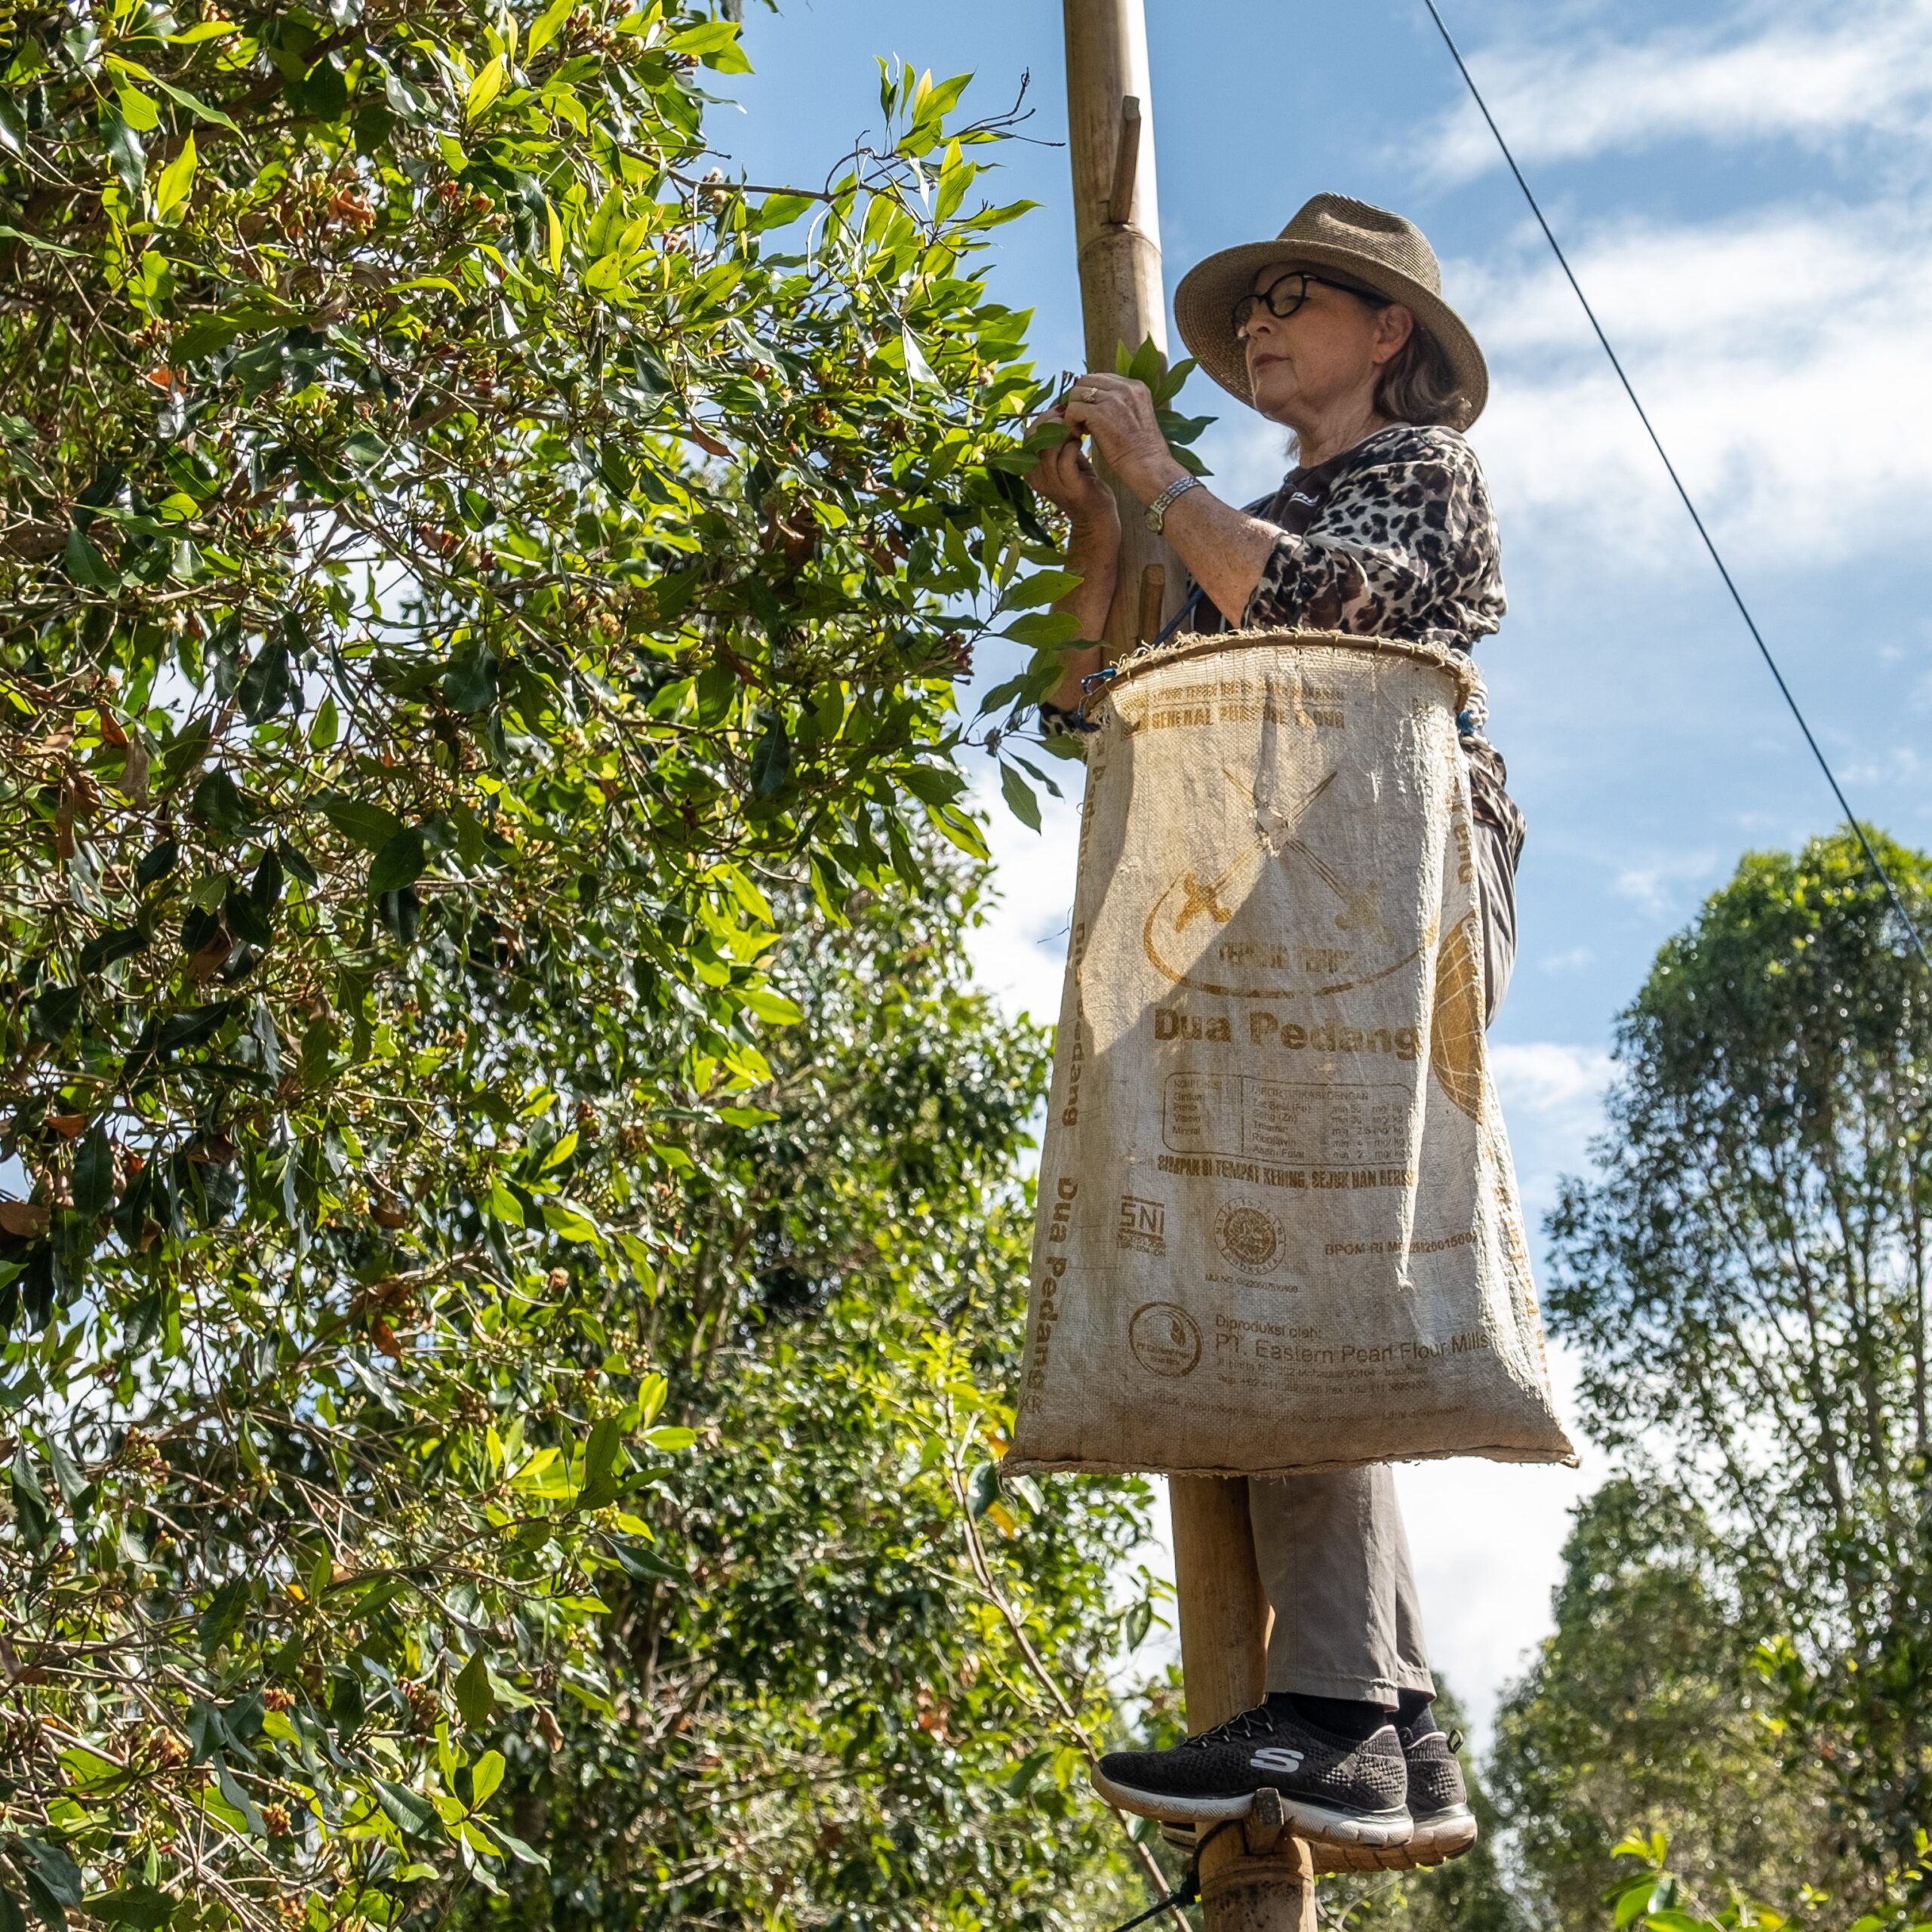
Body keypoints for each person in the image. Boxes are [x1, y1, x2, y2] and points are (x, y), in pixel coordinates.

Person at [1025, 194, 1524, 1863]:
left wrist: (1166, 484)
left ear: (1386, 335)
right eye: (1250, 309)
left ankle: (1330, 1713)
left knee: (1292, 1273)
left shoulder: (1413, 471)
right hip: (1274, 899)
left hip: (1386, 888)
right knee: (1266, 1272)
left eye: (1295, 303)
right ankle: (1387, 1717)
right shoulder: (1234, 508)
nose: (1257, 330)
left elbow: (1332, 613)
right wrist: (1104, 530)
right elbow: (1099, 704)